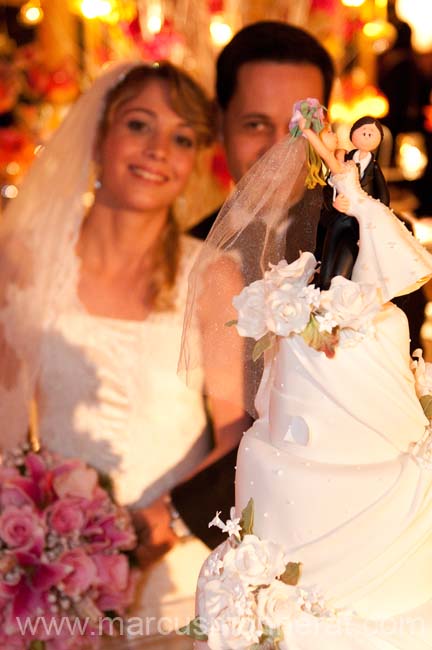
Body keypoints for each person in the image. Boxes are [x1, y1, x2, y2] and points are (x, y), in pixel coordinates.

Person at [0, 61, 247, 626]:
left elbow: (238, 434)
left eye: (182, 137)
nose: (159, 148)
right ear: (99, 137)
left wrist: (165, 520)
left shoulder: (212, 278)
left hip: (180, 580)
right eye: (139, 125)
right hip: (54, 580)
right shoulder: (24, 266)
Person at [300, 117, 432, 301]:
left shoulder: (349, 163)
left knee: (373, 252)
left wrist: (308, 131)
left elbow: (382, 193)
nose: (335, 135)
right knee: (334, 263)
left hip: (362, 212)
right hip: (351, 213)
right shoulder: (343, 160)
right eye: (329, 133)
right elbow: (326, 158)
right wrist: (308, 131)